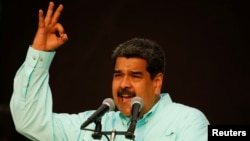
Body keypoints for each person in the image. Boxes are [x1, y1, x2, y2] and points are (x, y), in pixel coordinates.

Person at [10, 1, 209, 141]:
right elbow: (29, 123)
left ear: (156, 82)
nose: (124, 85)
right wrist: (40, 55)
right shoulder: (94, 125)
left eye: (135, 76)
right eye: (118, 75)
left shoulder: (187, 121)